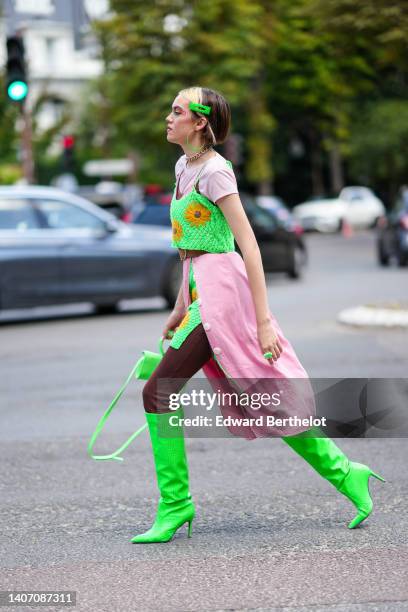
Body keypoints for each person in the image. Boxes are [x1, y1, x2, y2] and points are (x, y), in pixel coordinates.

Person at [130, 86, 385, 544]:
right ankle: (347, 473)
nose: (168, 118)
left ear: (200, 122)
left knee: (159, 391)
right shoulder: (183, 167)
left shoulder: (216, 172)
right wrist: (179, 306)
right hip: (199, 290)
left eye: (176, 111)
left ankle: (176, 504)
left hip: (224, 294)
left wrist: (264, 320)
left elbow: (246, 245)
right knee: (259, 394)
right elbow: (193, 247)